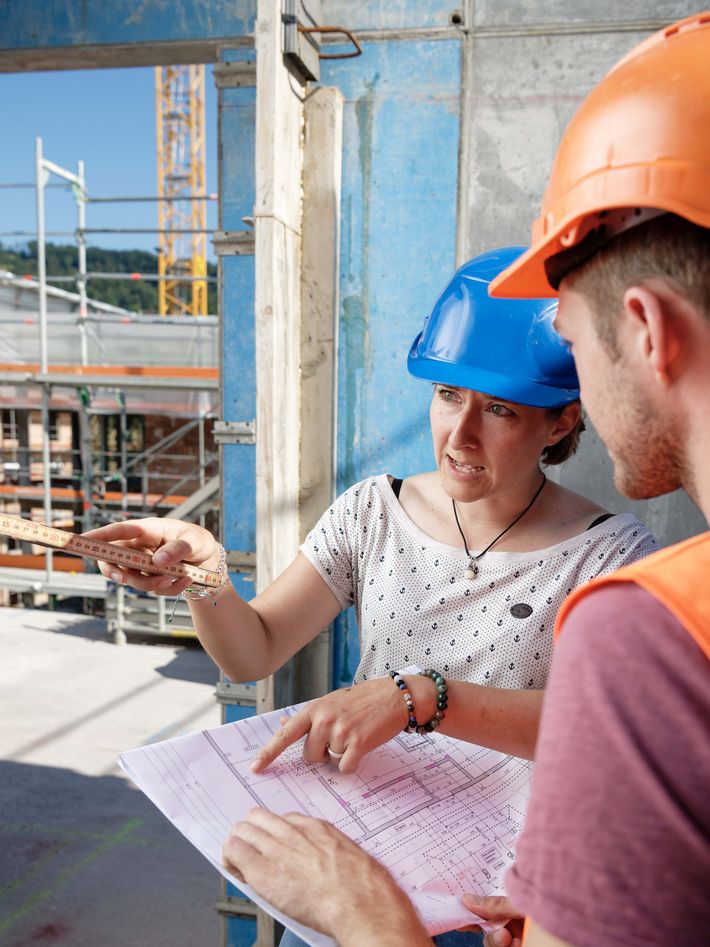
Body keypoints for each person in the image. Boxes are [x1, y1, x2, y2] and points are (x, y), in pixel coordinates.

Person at [222, 13, 710, 947]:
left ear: (643, 332)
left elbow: (574, 742)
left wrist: (369, 911)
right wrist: (209, 572)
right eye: (447, 395)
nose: (459, 430)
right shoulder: (375, 512)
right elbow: (250, 647)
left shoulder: (632, 599)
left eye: (573, 343)